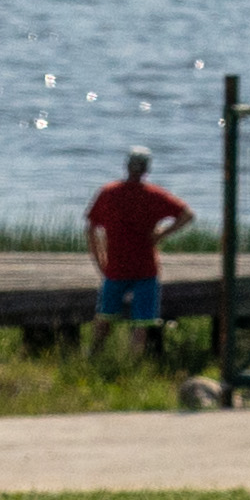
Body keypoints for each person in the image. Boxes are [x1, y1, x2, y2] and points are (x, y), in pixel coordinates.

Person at [85, 148, 194, 363]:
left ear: (126, 166)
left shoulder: (109, 193)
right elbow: (187, 215)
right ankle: (133, 364)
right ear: (147, 169)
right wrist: (163, 234)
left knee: (104, 317)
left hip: (116, 268)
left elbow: (90, 229)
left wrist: (99, 260)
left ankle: (92, 358)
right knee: (141, 323)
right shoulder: (154, 195)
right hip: (145, 269)